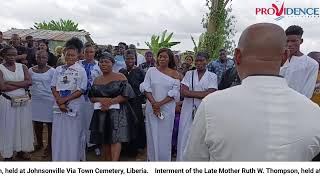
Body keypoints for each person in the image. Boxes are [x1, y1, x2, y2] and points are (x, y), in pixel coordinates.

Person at [185, 23, 320, 161]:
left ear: (237, 56)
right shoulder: (314, 113)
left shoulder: (211, 106)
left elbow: (194, 161)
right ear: (285, 56)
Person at [88, 52, 136, 161]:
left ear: (112, 63)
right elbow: (91, 97)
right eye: (101, 62)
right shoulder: (97, 80)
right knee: (104, 139)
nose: (104, 64)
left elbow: (126, 94)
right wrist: (102, 100)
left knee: (115, 138)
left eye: (107, 62)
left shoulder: (120, 77)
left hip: (117, 114)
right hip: (101, 113)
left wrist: (110, 102)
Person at [140, 48, 180, 161]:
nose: (162, 58)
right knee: (152, 135)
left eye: (165, 57)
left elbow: (175, 93)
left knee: (164, 137)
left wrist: (160, 104)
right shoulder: (151, 71)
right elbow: (145, 87)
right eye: (160, 56)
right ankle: (152, 161)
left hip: (167, 109)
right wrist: (154, 104)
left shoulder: (175, 74)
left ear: (170, 59)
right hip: (151, 108)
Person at [51, 38, 87, 161]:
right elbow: (53, 86)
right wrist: (59, 101)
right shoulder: (58, 69)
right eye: (68, 55)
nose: (70, 57)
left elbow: (81, 89)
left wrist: (65, 100)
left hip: (74, 105)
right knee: (59, 134)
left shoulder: (81, 70)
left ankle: (73, 159)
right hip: (59, 106)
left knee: (73, 134)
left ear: (78, 56)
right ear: (64, 55)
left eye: (73, 55)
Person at [177, 52, 217, 161]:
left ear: (207, 61)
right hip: (188, 110)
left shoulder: (212, 76)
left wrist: (191, 92)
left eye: (201, 60)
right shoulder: (189, 74)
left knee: (201, 137)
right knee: (185, 134)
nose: (199, 63)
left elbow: (211, 94)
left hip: (204, 110)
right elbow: (183, 92)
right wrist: (202, 93)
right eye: (197, 60)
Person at [0, 46, 34, 161]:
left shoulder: (23, 66)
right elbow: (3, 87)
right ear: (3, 56)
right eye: (9, 55)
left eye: (14, 55)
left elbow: (29, 82)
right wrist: (22, 83)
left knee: (22, 126)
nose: (12, 57)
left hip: (23, 102)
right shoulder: (0, 68)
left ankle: (21, 150)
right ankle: (8, 154)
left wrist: (10, 82)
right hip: (7, 102)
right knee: (8, 127)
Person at [119, 49, 146, 157]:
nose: (130, 60)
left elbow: (144, 87)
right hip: (123, 102)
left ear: (135, 59)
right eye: (127, 58)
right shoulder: (121, 72)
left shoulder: (140, 72)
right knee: (124, 124)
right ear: (124, 59)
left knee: (136, 123)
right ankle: (124, 148)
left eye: (132, 58)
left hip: (135, 103)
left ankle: (137, 147)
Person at [29, 50, 55, 158]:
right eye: (38, 57)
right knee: (37, 124)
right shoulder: (30, 70)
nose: (41, 59)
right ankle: (39, 144)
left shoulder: (52, 71)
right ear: (35, 57)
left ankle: (49, 147)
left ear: (47, 58)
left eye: (43, 57)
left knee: (50, 125)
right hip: (35, 100)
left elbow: (55, 86)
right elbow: (29, 83)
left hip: (49, 100)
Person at [280, 25, 319, 98]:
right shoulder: (278, 60)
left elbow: (308, 92)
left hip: (296, 105)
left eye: (294, 41)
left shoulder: (312, 64)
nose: (289, 44)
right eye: (287, 41)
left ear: (301, 41)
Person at [78, 42, 102, 159]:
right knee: (81, 121)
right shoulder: (78, 64)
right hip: (79, 98)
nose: (88, 54)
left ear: (95, 52)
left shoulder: (99, 65)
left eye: (91, 51)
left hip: (94, 99)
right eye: (86, 52)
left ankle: (94, 144)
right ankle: (82, 144)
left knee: (94, 121)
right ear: (83, 52)